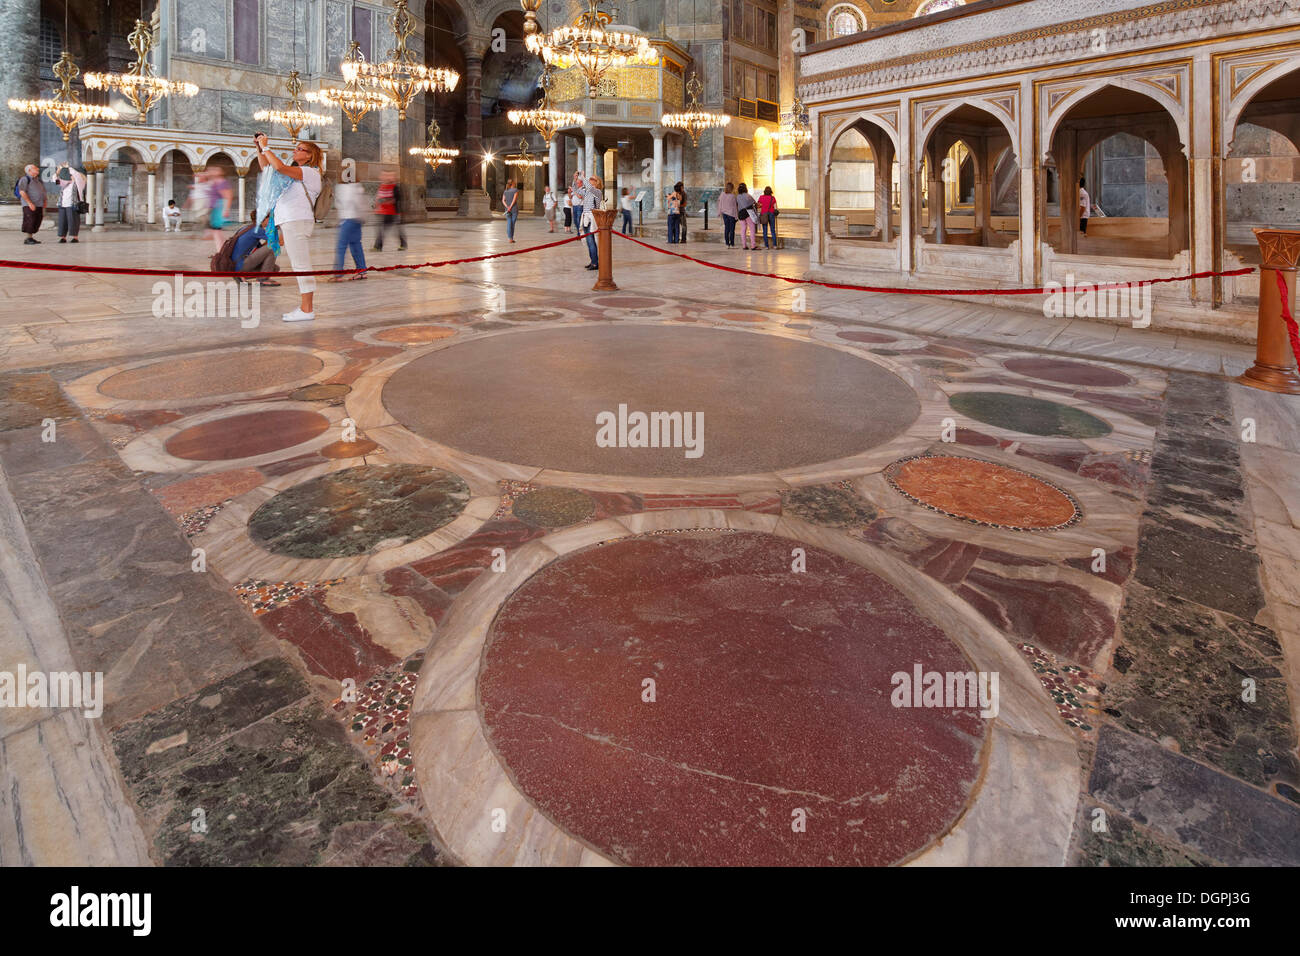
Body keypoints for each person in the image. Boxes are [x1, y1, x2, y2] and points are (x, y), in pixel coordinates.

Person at [254, 135, 322, 322]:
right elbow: (267, 170)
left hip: (297, 220)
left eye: (300, 149)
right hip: (291, 220)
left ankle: (307, 310)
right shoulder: (294, 175)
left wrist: (267, 148)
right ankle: (306, 308)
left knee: (301, 265)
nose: (295, 150)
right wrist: (260, 149)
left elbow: (279, 167)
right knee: (299, 264)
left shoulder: (310, 172)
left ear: (310, 156)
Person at [330, 180, 366, 282]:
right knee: (356, 245)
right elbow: (359, 203)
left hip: (347, 220)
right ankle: (362, 271)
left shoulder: (343, 187)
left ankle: (338, 274)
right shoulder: (357, 186)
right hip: (356, 219)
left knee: (341, 247)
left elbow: (341, 205)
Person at [230, 211, 280, 284]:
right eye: (271, 218)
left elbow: (262, 249)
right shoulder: (257, 230)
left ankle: (240, 275)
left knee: (274, 268)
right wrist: (282, 229)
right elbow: (278, 242)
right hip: (240, 264)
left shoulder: (248, 227)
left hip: (236, 265)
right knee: (272, 247)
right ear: (264, 219)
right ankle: (263, 279)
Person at [373, 170, 406, 251]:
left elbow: (395, 200)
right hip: (384, 212)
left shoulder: (395, 187)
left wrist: (383, 201)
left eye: (389, 176)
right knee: (391, 229)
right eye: (384, 175)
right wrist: (376, 205)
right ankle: (403, 244)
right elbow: (378, 197)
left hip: (393, 213)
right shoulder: (381, 186)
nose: (386, 177)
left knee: (384, 229)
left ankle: (378, 246)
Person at [203, 167, 233, 252]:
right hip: (214, 209)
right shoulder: (215, 182)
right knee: (216, 232)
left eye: (215, 170)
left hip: (219, 208)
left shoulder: (221, 182)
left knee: (217, 232)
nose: (211, 171)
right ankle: (222, 251)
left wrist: (225, 210)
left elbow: (228, 196)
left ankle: (221, 252)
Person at [55, 165, 86, 243]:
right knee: (62, 221)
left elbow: (76, 174)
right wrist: (58, 171)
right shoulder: (64, 183)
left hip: (73, 204)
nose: (70, 175)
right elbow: (54, 179)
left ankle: (75, 237)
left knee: (73, 221)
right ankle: (63, 237)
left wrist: (67, 167)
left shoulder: (79, 183)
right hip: (62, 204)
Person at [17, 164, 46, 245]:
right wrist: (29, 203)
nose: (37, 169)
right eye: (35, 168)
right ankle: (28, 238)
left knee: (37, 220)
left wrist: (45, 201)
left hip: (39, 204)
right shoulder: (25, 179)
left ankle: (31, 237)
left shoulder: (38, 180)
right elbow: (22, 191)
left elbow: (43, 191)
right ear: (29, 170)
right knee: (31, 220)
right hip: (29, 204)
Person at [581, 173, 604, 271]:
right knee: (589, 241)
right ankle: (593, 261)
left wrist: (583, 177)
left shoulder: (597, 192)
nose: (589, 180)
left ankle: (595, 263)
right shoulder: (588, 192)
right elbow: (577, 191)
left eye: (592, 179)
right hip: (585, 217)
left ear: (597, 182)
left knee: (591, 241)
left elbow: (589, 188)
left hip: (592, 218)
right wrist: (575, 179)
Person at [736, 182, 758, 250]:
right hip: (748, 213)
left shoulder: (737, 196)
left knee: (743, 229)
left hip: (741, 214)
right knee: (752, 229)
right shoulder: (748, 195)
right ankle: (753, 245)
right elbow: (754, 202)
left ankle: (744, 245)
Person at [719, 182, 738, 249]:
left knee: (727, 228)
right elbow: (735, 207)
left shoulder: (722, 194)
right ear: (732, 188)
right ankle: (732, 243)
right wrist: (736, 216)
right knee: (732, 229)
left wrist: (719, 212)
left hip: (724, 214)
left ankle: (727, 243)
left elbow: (719, 203)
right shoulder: (732, 196)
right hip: (731, 214)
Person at [502, 178, 519, 242]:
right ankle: (511, 238)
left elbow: (503, 200)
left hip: (507, 210)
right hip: (514, 209)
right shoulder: (515, 190)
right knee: (512, 224)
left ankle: (510, 238)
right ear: (513, 183)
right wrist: (510, 207)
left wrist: (507, 207)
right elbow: (514, 200)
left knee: (509, 223)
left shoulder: (505, 191)